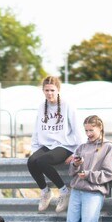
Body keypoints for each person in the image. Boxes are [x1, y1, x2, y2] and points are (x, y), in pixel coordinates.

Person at [28, 76, 84, 213]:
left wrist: (78, 153)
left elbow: (77, 130)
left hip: (65, 145)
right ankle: (45, 192)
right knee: (31, 161)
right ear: (43, 91)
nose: (49, 93)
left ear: (58, 90)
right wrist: (34, 150)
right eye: (46, 90)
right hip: (47, 144)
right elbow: (37, 129)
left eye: (52, 90)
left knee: (42, 161)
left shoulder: (67, 106)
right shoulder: (42, 107)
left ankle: (64, 192)